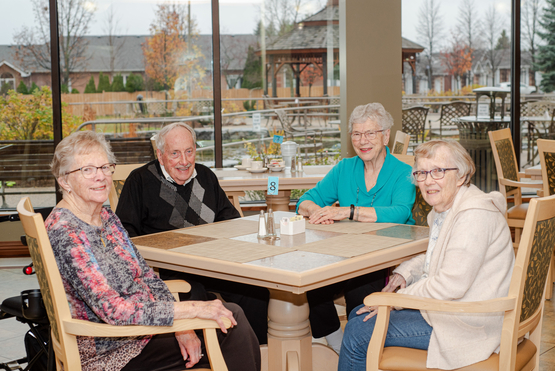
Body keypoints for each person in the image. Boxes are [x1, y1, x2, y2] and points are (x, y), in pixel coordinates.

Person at [45, 131, 261, 371]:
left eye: (105, 167)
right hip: (111, 350)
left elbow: (147, 277)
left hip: (141, 332)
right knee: (232, 322)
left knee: (232, 313)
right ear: (64, 180)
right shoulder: (66, 231)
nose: (101, 177)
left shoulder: (105, 217)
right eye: (87, 170)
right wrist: (192, 309)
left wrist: (184, 326)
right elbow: (115, 311)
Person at [339, 140, 515, 371]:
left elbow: (450, 285)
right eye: (421, 173)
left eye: (438, 171)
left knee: (357, 331)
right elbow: (439, 252)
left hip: (470, 324)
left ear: (461, 176)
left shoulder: (474, 216)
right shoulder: (447, 208)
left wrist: (395, 301)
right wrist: (405, 272)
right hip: (454, 310)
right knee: (357, 314)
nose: (428, 180)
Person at [115, 122, 269, 345]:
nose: (184, 161)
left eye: (189, 151)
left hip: (213, 265)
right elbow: (126, 237)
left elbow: (232, 221)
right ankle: (203, 356)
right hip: (168, 270)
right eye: (175, 153)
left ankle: (256, 351)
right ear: (160, 154)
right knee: (192, 291)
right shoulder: (139, 181)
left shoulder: (206, 176)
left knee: (255, 289)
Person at [296, 103, 416, 353]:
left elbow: (401, 212)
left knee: (359, 287)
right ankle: (340, 345)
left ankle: (360, 346)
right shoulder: (345, 168)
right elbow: (305, 199)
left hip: (385, 256)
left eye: (371, 133)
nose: (363, 140)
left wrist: (347, 211)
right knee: (308, 282)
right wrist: (316, 211)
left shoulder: (404, 172)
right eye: (357, 134)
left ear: (385, 135)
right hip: (345, 252)